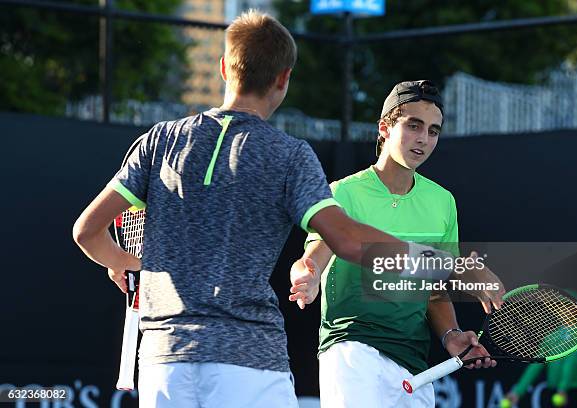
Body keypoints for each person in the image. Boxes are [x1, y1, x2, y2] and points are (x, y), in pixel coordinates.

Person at [72, 12, 464, 408]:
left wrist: (124, 263)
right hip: (249, 362)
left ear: (224, 68)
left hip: (163, 363)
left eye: (433, 130)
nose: (424, 138)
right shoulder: (290, 155)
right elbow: (345, 240)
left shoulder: (159, 140)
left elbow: (87, 232)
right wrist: (453, 266)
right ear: (283, 79)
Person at [289, 80, 505, 408]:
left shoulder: (442, 201)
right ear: (385, 128)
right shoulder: (344, 191)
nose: (423, 138)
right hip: (352, 349)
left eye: (433, 131)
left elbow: (435, 288)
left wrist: (451, 335)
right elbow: (317, 252)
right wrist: (310, 272)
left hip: (413, 362)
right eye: (413, 125)